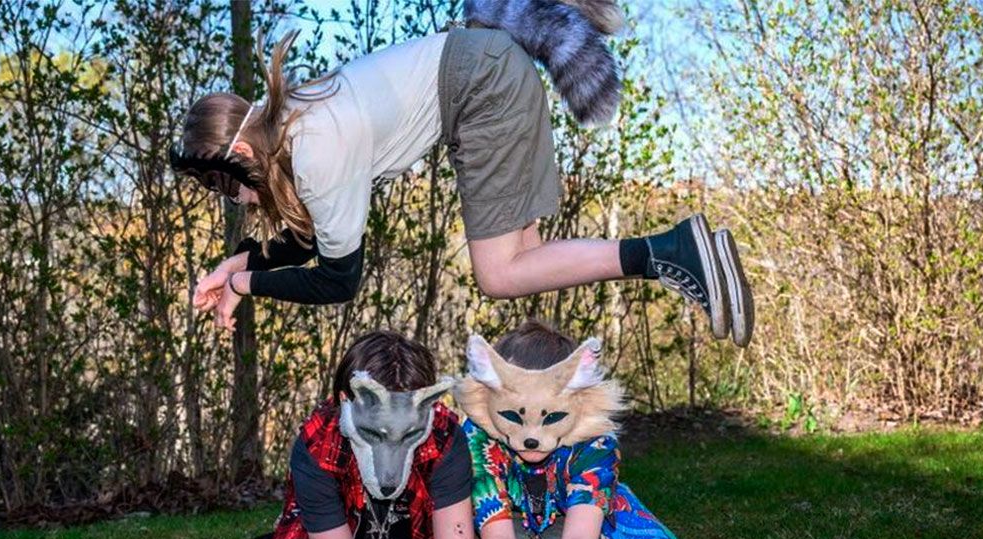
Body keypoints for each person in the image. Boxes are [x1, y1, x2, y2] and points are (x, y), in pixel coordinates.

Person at [173, 0, 754, 348]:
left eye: (225, 185)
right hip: (487, 71)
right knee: (524, 259)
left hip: (482, 88)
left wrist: (246, 286)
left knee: (499, 274)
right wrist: (239, 264)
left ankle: (671, 252)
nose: (237, 199)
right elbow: (312, 239)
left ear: (242, 152)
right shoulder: (297, 122)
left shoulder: (316, 150)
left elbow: (337, 280)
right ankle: (677, 254)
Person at [454, 320, 702, 539]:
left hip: (565, 524)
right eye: (513, 415)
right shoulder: (477, 438)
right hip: (508, 524)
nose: (531, 436)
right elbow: (497, 538)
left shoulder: (595, 442)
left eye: (551, 417)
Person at [255, 331, 501, 539]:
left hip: (412, 534)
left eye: (409, 432)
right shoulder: (318, 445)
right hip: (342, 535)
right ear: (345, 400)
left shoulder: (444, 436)